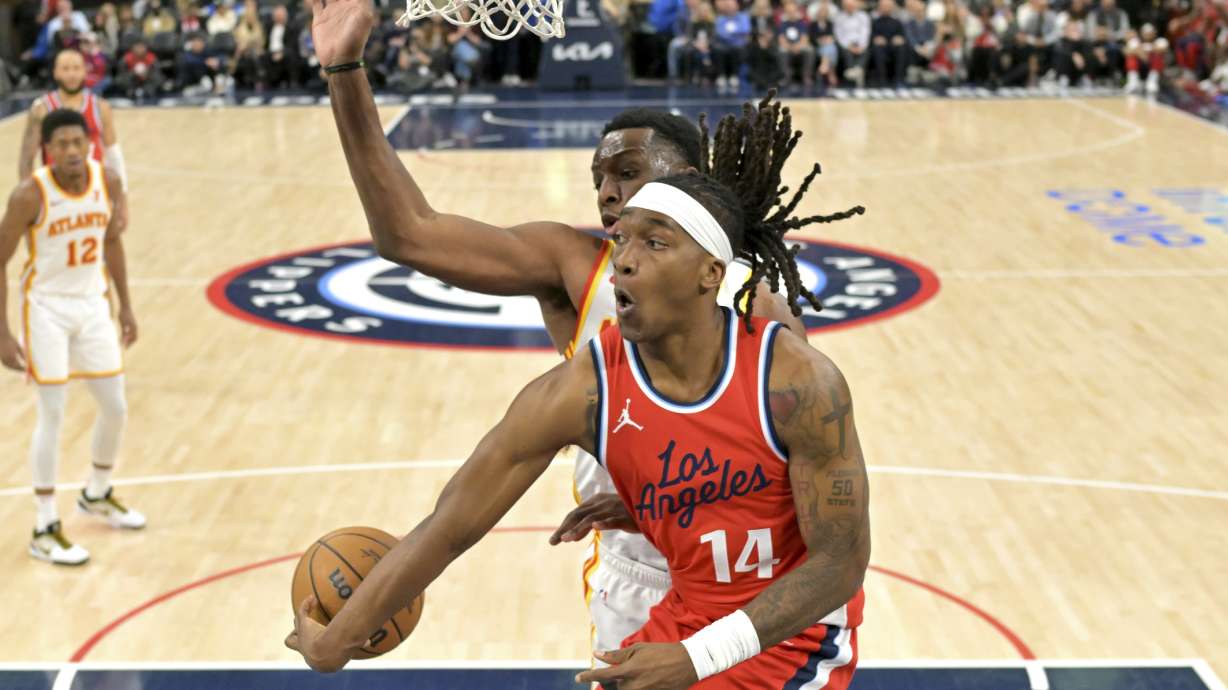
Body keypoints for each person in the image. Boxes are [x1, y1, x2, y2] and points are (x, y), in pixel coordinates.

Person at [294, 0, 868, 665]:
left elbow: (812, 499)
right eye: (599, 177)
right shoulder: (574, 272)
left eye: (627, 173)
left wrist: (698, 499)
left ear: (690, 187)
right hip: (640, 570)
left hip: (761, 583)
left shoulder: (766, 323)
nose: (606, 192)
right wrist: (343, 69)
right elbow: (408, 233)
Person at [0, 109, 145, 566]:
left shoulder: (109, 183)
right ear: (48, 150)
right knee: (53, 412)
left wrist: (125, 305)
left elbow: (112, 243)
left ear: (89, 144)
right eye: (59, 144)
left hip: (92, 304)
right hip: (45, 308)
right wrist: (3, 333)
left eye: (76, 142)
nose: (69, 151)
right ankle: (44, 525)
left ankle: (97, 492)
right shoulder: (30, 194)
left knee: (115, 407)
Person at [17, 48, 129, 226]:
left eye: (76, 68)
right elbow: (26, 160)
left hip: (95, 192)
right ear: (55, 72)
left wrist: (122, 199)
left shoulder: (101, 107)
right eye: (65, 68)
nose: (71, 74)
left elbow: (114, 154)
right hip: (55, 193)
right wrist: (27, 202)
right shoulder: (41, 109)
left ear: (85, 71)